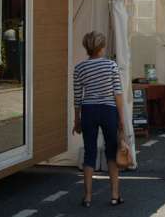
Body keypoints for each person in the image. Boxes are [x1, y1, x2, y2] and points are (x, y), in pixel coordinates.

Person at [73, 31, 126, 208]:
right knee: (111, 152)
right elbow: (117, 94)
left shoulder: (79, 68)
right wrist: (121, 119)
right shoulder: (111, 66)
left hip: (88, 110)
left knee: (90, 153)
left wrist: (76, 119)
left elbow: (77, 97)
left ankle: (87, 197)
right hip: (108, 110)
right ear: (101, 48)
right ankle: (114, 195)